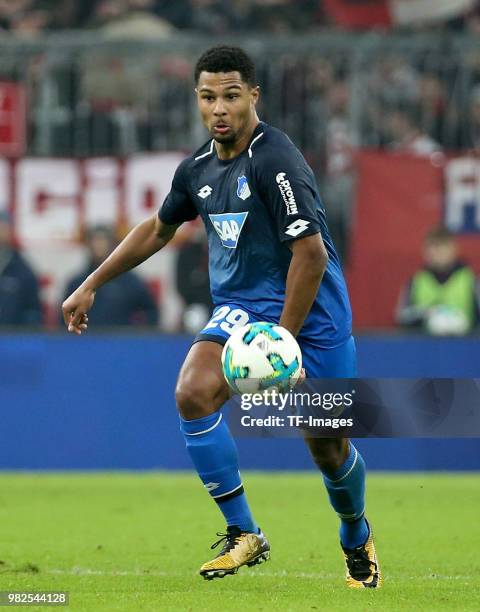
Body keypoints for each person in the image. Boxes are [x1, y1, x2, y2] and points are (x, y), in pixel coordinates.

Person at [62, 46, 380, 588]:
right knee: (192, 391)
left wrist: (285, 339)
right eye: (208, 97)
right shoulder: (198, 170)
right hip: (241, 309)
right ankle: (244, 532)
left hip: (313, 317)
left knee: (327, 447)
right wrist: (91, 283)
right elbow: (158, 230)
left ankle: (355, 531)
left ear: (253, 96)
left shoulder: (276, 159)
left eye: (231, 96)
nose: (219, 108)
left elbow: (312, 255)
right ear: (197, 100)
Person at [63, 225, 158, 327]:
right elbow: (64, 319)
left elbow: (152, 314)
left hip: (122, 340)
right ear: (88, 245)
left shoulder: (131, 281)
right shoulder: (77, 283)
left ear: (113, 244)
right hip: (85, 339)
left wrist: (135, 332)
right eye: (95, 241)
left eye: (103, 240)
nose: (99, 245)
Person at [397, 226, 479, 335]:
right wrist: (425, 313)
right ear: (424, 251)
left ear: (454, 249)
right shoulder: (415, 282)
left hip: (465, 346)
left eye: (442, 247)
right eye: (433, 247)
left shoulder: (471, 281)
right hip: (424, 346)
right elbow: (402, 317)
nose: (437, 253)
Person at [0, 211, 42, 326]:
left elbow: (33, 313)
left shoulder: (24, 272)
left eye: (3, 227)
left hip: (12, 341)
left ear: (10, 231)